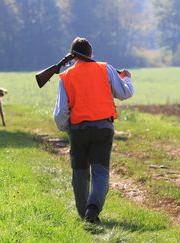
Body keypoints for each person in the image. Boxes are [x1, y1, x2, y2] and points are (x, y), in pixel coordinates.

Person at [53, 37, 134, 224]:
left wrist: (68, 129)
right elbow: (124, 93)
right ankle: (93, 209)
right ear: (91, 53)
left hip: (78, 130)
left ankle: (84, 215)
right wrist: (127, 77)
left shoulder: (66, 77)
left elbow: (60, 114)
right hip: (103, 128)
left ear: (73, 57)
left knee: (80, 172)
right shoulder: (105, 68)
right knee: (100, 171)